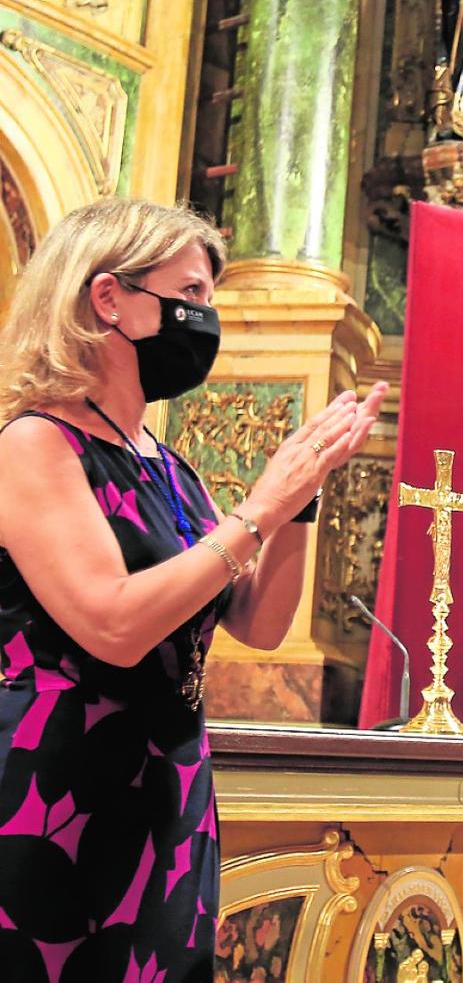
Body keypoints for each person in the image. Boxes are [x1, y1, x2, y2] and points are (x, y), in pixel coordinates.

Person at [0, 198, 387, 980]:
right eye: (191, 296)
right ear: (109, 298)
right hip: (57, 783)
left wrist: (303, 497)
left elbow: (260, 622)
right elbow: (112, 624)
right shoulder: (35, 443)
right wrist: (262, 505)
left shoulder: (166, 465)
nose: (204, 318)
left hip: (166, 781)